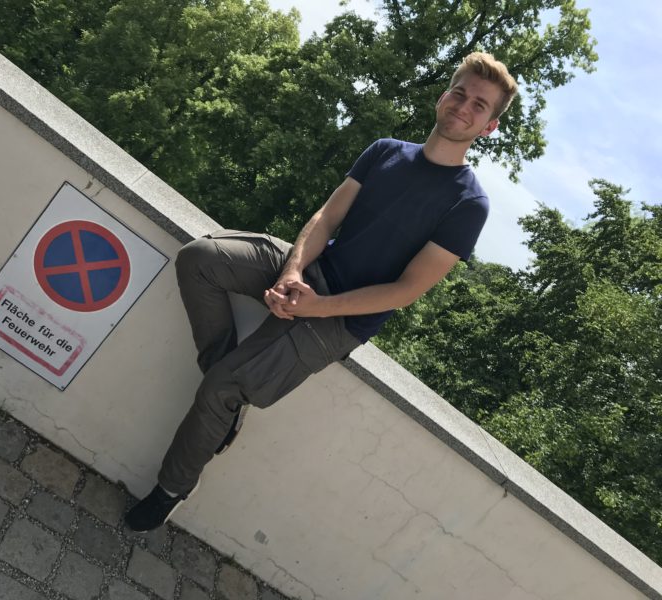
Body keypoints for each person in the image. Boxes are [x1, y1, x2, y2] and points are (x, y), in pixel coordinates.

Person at [125, 52, 518, 532]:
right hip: (310, 269)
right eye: (459, 92)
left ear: (489, 127)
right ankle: (225, 398)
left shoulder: (468, 204)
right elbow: (327, 218)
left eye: (479, 105)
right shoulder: (385, 151)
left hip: (341, 320)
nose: (463, 106)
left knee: (220, 388)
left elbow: (405, 291)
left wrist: (318, 307)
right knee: (200, 259)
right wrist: (291, 271)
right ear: (443, 96)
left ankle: (171, 488)